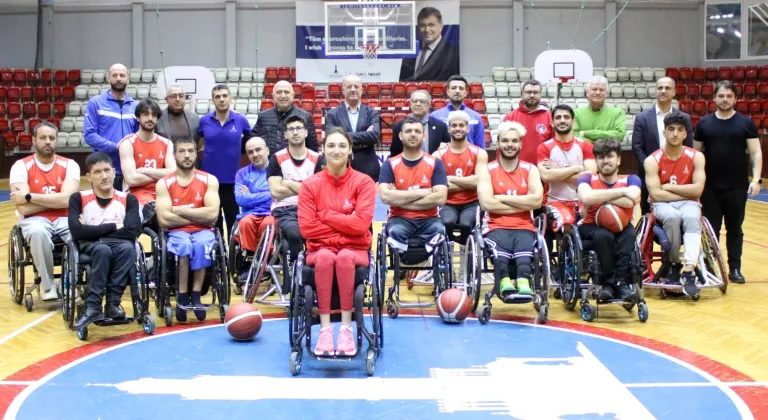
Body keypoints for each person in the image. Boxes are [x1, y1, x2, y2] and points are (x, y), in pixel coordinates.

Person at [297, 127, 376, 356]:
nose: (336, 150)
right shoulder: (310, 185)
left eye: (342, 145)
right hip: (320, 249)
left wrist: (327, 216)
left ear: (350, 150)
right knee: (324, 257)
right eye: (331, 145)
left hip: (355, 249)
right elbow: (306, 228)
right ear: (323, 150)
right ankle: (324, 330)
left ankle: (345, 329)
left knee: (343, 257)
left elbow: (361, 224)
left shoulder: (364, 183)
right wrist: (345, 225)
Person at [694, 80, 762, 284]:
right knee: (710, 230)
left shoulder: (746, 123)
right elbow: (695, 154)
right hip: (710, 188)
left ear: (736, 98)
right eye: (721, 96)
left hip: (737, 187)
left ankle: (735, 269)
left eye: (729, 96)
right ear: (714, 98)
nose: (725, 100)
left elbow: (756, 152)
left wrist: (757, 179)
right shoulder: (704, 123)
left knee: (735, 229)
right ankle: (711, 269)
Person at [68, 152, 141, 330]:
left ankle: (112, 303)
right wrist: (115, 226)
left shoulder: (128, 199)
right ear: (89, 177)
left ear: (114, 171)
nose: (104, 176)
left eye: (107, 170)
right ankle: (93, 306)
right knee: (103, 250)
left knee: (128, 249)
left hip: (116, 245)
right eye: (98, 172)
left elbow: (133, 231)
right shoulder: (78, 198)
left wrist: (92, 231)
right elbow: (77, 232)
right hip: (89, 246)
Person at [9, 122, 80, 301]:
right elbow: (23, 207)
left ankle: (69, 283)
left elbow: (68, 200)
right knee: (37, 231)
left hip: (65, 218)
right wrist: (58, 199)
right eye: (42, 138)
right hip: (34, 220)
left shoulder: (70, 165)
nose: (47, 142)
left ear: (56, 141)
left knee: (82, 233)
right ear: (34, 140)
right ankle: (47, 287)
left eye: (51, 138)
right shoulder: (20, 166)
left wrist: (29, 196)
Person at [155, 137, 221, 322]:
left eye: (190, 151)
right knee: (183, 245)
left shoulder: (209, 180)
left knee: (201, 245)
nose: (186, 155)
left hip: (203, 231)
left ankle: (196, 295)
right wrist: (197, 213)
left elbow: (212, 216)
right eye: (182, 151)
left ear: (196, 153)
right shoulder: (164, 183)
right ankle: (182, 295)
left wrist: (179, 210)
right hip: (176, 232)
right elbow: (164, 219)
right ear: (174, 155)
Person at [476, 121, 543, 296]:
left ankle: (523, 281)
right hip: (494, 225)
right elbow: (486, 204)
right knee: (499, 253)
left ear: (520, 143)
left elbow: (536, 202)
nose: (510, 145)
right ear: (497, 144)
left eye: (514, 141)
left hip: (524, 225)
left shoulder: (531, 169)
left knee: (525, 251)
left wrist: (501, 198)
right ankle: (504, 280)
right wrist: (522, 202)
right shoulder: (486, 170)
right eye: (505, 141)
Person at [644, 113, 706, 297]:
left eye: (679, 130)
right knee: (672, 217)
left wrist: (670, 187)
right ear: (664, 132)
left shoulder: (696, 156)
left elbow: (698, 191)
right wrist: (683, 190)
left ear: (685, 134)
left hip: (688, 203)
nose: (675, 134)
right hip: (662, 204)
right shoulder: (652, 160)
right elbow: (655, 194)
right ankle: (673, 263)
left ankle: (688, 269)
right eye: (671, 129)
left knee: (691, 216)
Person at [577, 138, 642, 301]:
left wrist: (596, 197)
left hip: (620, 226)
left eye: (610, 156)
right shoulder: (586, 178)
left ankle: (621, 282)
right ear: (596, 161)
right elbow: (586, 197)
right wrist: (622, 193)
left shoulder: (631, 179)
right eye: (601, 157)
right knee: (603, 235)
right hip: (590, 226)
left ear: (619, 159)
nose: (606, 161)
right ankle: (609, 284)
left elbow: (631, 199)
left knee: (629, 234)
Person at [268, 115, 325, 291]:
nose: (295, 132)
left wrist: (289, 183)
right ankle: (293, 281)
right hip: (284, 208)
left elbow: (319, 192)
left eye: (299, 128)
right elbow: (275, 191)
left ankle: (316, 278)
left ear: (306, 132)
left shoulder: (317, 158)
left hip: (311, 208)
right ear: (285, 134)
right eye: (291, 129)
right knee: (293, 234)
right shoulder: (276, 158)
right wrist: (306, 186)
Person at [379, 117, 448, 254]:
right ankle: (406, 266)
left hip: (430, 219)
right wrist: (424, 192)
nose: (413, 134)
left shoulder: (435, 163)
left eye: (417, 131)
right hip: (399, 219)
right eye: (408, 131)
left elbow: (440, 198)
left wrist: (398, 198)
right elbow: (385, 196)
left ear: (424, 136)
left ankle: (427, 264)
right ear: (400, 135)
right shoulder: (390, 164)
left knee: (439, 231)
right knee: (394, 232)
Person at [631, 76, 694, 214]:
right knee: (649, 217)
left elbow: (688, 146)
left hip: (677, 177)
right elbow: (637, 147)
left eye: (667, 88)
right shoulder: (642, 117)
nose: (663, 91)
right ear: (655, 91)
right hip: (649, 176)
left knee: (679, 214)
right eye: (660, 88)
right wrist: (651, 168)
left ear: (674, 92)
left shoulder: (684, 118)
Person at [198, 84, 252, 237]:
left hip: (233, 180)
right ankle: (217, 257)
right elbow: (200, 145)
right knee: (213, 221)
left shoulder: (241, 120)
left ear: (231, 98)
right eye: (217, 97)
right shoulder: (204, 121)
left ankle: (233, 258)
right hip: (209, 182)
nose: (221, 99)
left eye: (224, 96)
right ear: (212, 100)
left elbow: (250, 141)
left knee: (232, 220)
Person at [537, 104, 597, 231]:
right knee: (567, 222)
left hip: (583, 200)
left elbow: (589, 177)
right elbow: (546, 177)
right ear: (552, 123)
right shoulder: (544, 147)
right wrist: (577, 168)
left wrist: (557, 172)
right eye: (558, 117)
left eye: (566, 117)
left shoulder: (586, 146)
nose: (562, 120)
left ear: (573, 122)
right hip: (555, 200)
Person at [433, 110, 488, 246]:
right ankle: (449, 247)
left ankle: (465, 247)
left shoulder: (479, 153)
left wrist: (450, 179)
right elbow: (439, 186)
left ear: (468, 128)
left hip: (472, 201)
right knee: (447, 222)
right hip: (448, 202)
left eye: (461, 125)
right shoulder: (438, 154)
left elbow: (479, 181)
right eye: (454, 125)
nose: (458, 128)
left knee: (466, 223)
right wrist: (469, 181)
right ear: (449, 128)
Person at [83, 63, 138, 190]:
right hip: (103, 170)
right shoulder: (96, 103)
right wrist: (115, 147)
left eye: (122, 75)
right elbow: (89, 135)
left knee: (127, 207)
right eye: (114, 75)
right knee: (103, 208)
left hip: (128, 171)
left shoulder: (135, 106)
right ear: (108, 79)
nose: (118, 78)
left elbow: (138, 137)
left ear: (128, 78)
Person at [118, 98, 175, 218]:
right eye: (145, 114)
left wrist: (144, 170)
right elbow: (132, 180)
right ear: (138, 117)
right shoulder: (127, 144)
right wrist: (161, 175)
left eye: (154, 115)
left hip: (163, 192)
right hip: (136, 194)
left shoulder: (167, 143)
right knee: (154, 212)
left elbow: (173, 174)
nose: (150, 118)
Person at [324, 75, 381, 182]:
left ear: (361, 90)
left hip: (368, 168)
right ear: (343, 90)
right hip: (341, 167)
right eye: (349, 87)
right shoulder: (332, 114)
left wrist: (343, 136)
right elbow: (331, 136)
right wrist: (364, 138)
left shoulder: (372, 112)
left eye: (356, 86)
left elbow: (374, 135)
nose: (353, 89)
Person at [233, 137, 274, 276]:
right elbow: (240, 199)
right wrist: (270, 194)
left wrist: (252, 195)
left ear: (267, 150)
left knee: (269, 224)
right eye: (250, 152)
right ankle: (251, 262)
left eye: (258, 150)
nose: (255, 154)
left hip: (271, 213)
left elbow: (281, 195)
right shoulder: (242, 173)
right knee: (245, 223)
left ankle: (267, 262)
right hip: (249, 215)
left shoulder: (277, 170)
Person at [252, 80, 318, 155]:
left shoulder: (305, 116)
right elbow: (251, 140)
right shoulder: (263, 117)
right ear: (273, 96)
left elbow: (313, 147)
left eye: (286, 92)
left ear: (293, 95)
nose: (283, 96)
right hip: (269, 165)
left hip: (295, 165)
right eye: (279, 92)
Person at [398, 6, 460, 82]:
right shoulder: (410, 52)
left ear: (441, 26)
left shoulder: (453, 54)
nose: (427, 30)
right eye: (423, 25)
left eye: (431, 25)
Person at [502, 79, 553, 164]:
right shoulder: (511, 117)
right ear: (522, 94)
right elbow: (502, 145)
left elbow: (554, 145)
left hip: (542, 169)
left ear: (540, 94)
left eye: (535, 92)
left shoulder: (549, 117)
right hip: (516, 168)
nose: (532, 95)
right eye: (528, 92)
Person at [389, 90, 450, 157]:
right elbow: (395, 153)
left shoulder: (441, 126)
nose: (418, 104)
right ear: (411, 104)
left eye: (422, 101)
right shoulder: (399, 126)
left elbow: (448, 152)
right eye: (415, 101)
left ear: (429, 105)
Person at [431, 75, 485, 149]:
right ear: (448, 92)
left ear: (466, 93)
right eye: (453, 88)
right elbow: (431, 145)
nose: (457, 91)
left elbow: (480, 147)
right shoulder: (435, 116)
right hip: (442, 159)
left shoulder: (476, 117)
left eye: (461, 88)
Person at [573, 76, 626, 143]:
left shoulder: (618, 113)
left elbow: (619, 136)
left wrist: (586, 133)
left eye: (601, 90)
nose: (598, 93)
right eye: (594, 89)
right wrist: (597, 145)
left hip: (607, 153)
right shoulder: (576, 113)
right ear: (587, 92)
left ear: (606, 93)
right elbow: (574, 136)